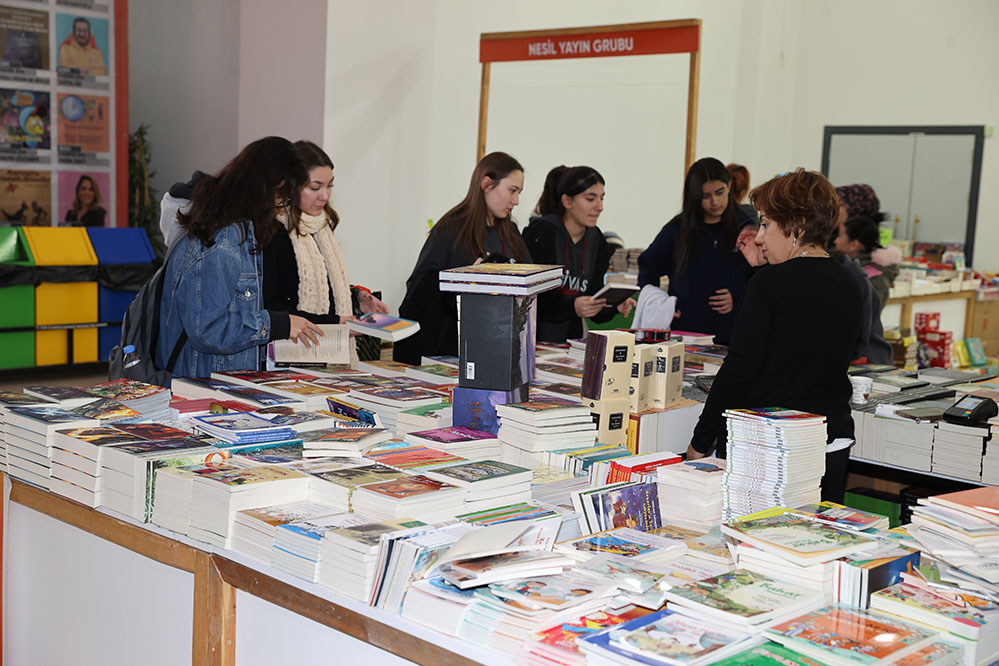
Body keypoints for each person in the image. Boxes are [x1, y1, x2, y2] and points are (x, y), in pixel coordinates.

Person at [686, 169, 864, 503]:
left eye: (766, 224)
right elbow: (805, 335)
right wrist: (764, 269)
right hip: (830, 437)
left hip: (774, 444)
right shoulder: (850, 281)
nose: (759, 237)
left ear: (797, 226)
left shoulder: (768, 285)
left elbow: (740, 370)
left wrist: (700, 441)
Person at [156, 136, 323, 379]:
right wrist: (276, 324)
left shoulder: (237, 229)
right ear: (266, 189)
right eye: (282, 198)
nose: (280, 206)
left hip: (220, 377)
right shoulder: (223, 240)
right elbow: (208, 330)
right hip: (204, 381)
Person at [393, 151, 530, 365]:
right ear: (486, 185)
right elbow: (418, 292)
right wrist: (463, 277)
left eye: (519, 192)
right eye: (512, 190)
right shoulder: (450, 229)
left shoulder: (510, 233)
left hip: (495, 348)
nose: (516, 201)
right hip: (448, 350)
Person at [263, 140, 388, 364]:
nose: (325, 195)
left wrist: (357, 299)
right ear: (290, 186)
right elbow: (274, 308)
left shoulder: (321, 229)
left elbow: (324, 288)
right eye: (315, 187)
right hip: (287, 358)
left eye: (330, 186)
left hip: (324, 357)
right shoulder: (274, 233)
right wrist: (338, 323)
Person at [637, 157, 754, 344]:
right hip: (684, 336)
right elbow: (647, 268)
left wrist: (738, 295)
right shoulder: (677, 230)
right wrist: (661, 306)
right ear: (694, 196)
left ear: (729, 186)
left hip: (731, 335)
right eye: (705, 196)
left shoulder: (746, 228)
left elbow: (761, 277)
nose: (715, 201)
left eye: (720, 192)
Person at [523, 165, 634, 343]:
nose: (600, 207)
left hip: (572, 343)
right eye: (590, 199)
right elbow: (530, 300)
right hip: (535, 340)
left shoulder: (597, 241)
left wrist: (613, 305)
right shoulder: (541, 234)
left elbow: (594, 308)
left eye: (602, 198)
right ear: (567, 201)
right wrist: (572, 307)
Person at [833, 216, 902, 313]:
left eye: (840, 236)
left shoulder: (875, 280)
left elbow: (865, 315)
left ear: (854, 245)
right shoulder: (845, 268)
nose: (835, 241)